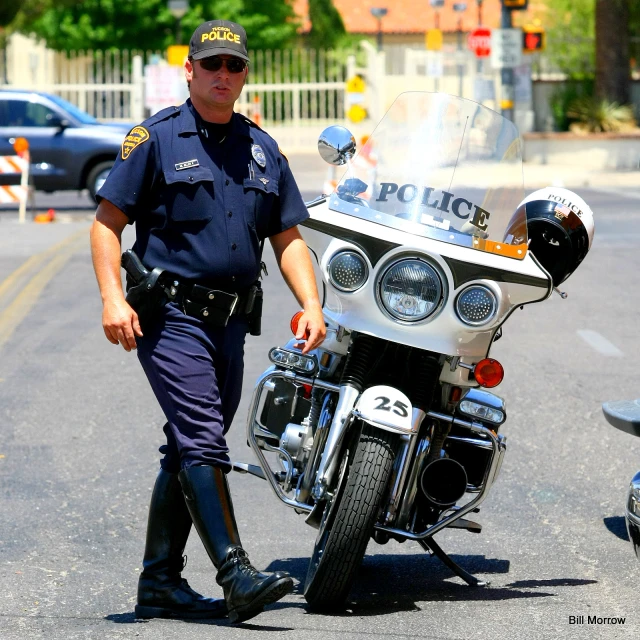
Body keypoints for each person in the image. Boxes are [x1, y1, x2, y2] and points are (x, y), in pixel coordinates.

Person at [89, 19, 326, 624]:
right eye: (213, 64)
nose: (224, 75)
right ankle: (235, 572)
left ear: (245, 74)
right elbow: (106, 223)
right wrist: (113, 299)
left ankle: (160, 584)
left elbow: (287, 237)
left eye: (235, 66)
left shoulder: (262, 148)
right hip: (169, 316)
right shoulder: (157, 140)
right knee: (201, 436)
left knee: (188, 445)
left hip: (230, 325)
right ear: (189, 70)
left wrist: (312, 302)